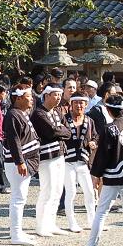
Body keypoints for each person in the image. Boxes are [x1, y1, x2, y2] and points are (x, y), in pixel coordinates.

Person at [72, 94, 123, 246]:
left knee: (101, 212)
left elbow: (103, 155)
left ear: (108, 110)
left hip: (113, 175)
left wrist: (97, 174)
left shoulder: (109, 128)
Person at [31, 85, 70, 237]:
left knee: (58, 190)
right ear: (46, 95)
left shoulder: (57, 111)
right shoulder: (39, 113)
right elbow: (51, 131)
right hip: (47, 157)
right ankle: (41, 226)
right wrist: (60, 130)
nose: (59, 98)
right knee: (47, 190)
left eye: (60, 95)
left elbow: (67, 131)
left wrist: (60, 131)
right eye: (55, 95)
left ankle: (51, 223)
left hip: (60, 154)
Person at [3, 85, 40, 246]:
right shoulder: (12, 115)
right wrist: (20, 161)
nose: (32, 99)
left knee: (20, 198)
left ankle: (18, 231)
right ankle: (16, 234)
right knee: (18, 198)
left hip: (23, 160)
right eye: (28, 96)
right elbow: (13, 140)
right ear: (18, 98)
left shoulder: (20, 113)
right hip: (17, 162)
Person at [63, 92, 97, 233]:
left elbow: (95, 136)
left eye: (81, 102)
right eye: (76, 102)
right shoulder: (64, 119)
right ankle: (72, 222)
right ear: (71, 104)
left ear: (86, 104)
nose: (79, 105)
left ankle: (92, 220)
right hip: (68, 161)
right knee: (70, 192)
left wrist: (94, 142)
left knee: (89, 191)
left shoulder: (89, 121)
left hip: (83, 161)